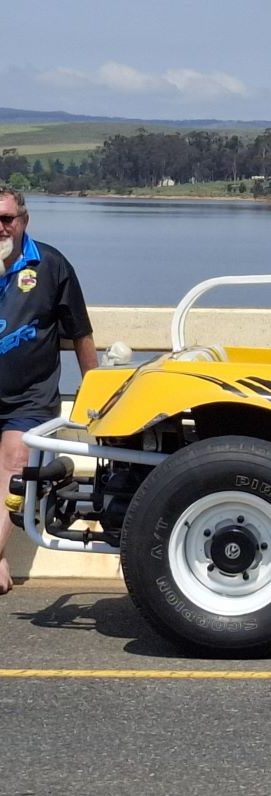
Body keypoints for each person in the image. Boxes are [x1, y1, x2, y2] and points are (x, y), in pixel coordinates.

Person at [0, 187, 98, 594]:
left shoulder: (51, 265)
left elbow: (81, 334)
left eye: (6, 219)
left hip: (29, 396)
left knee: (16, 459)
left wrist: (96, 395)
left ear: (24, 220)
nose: (0, 227)